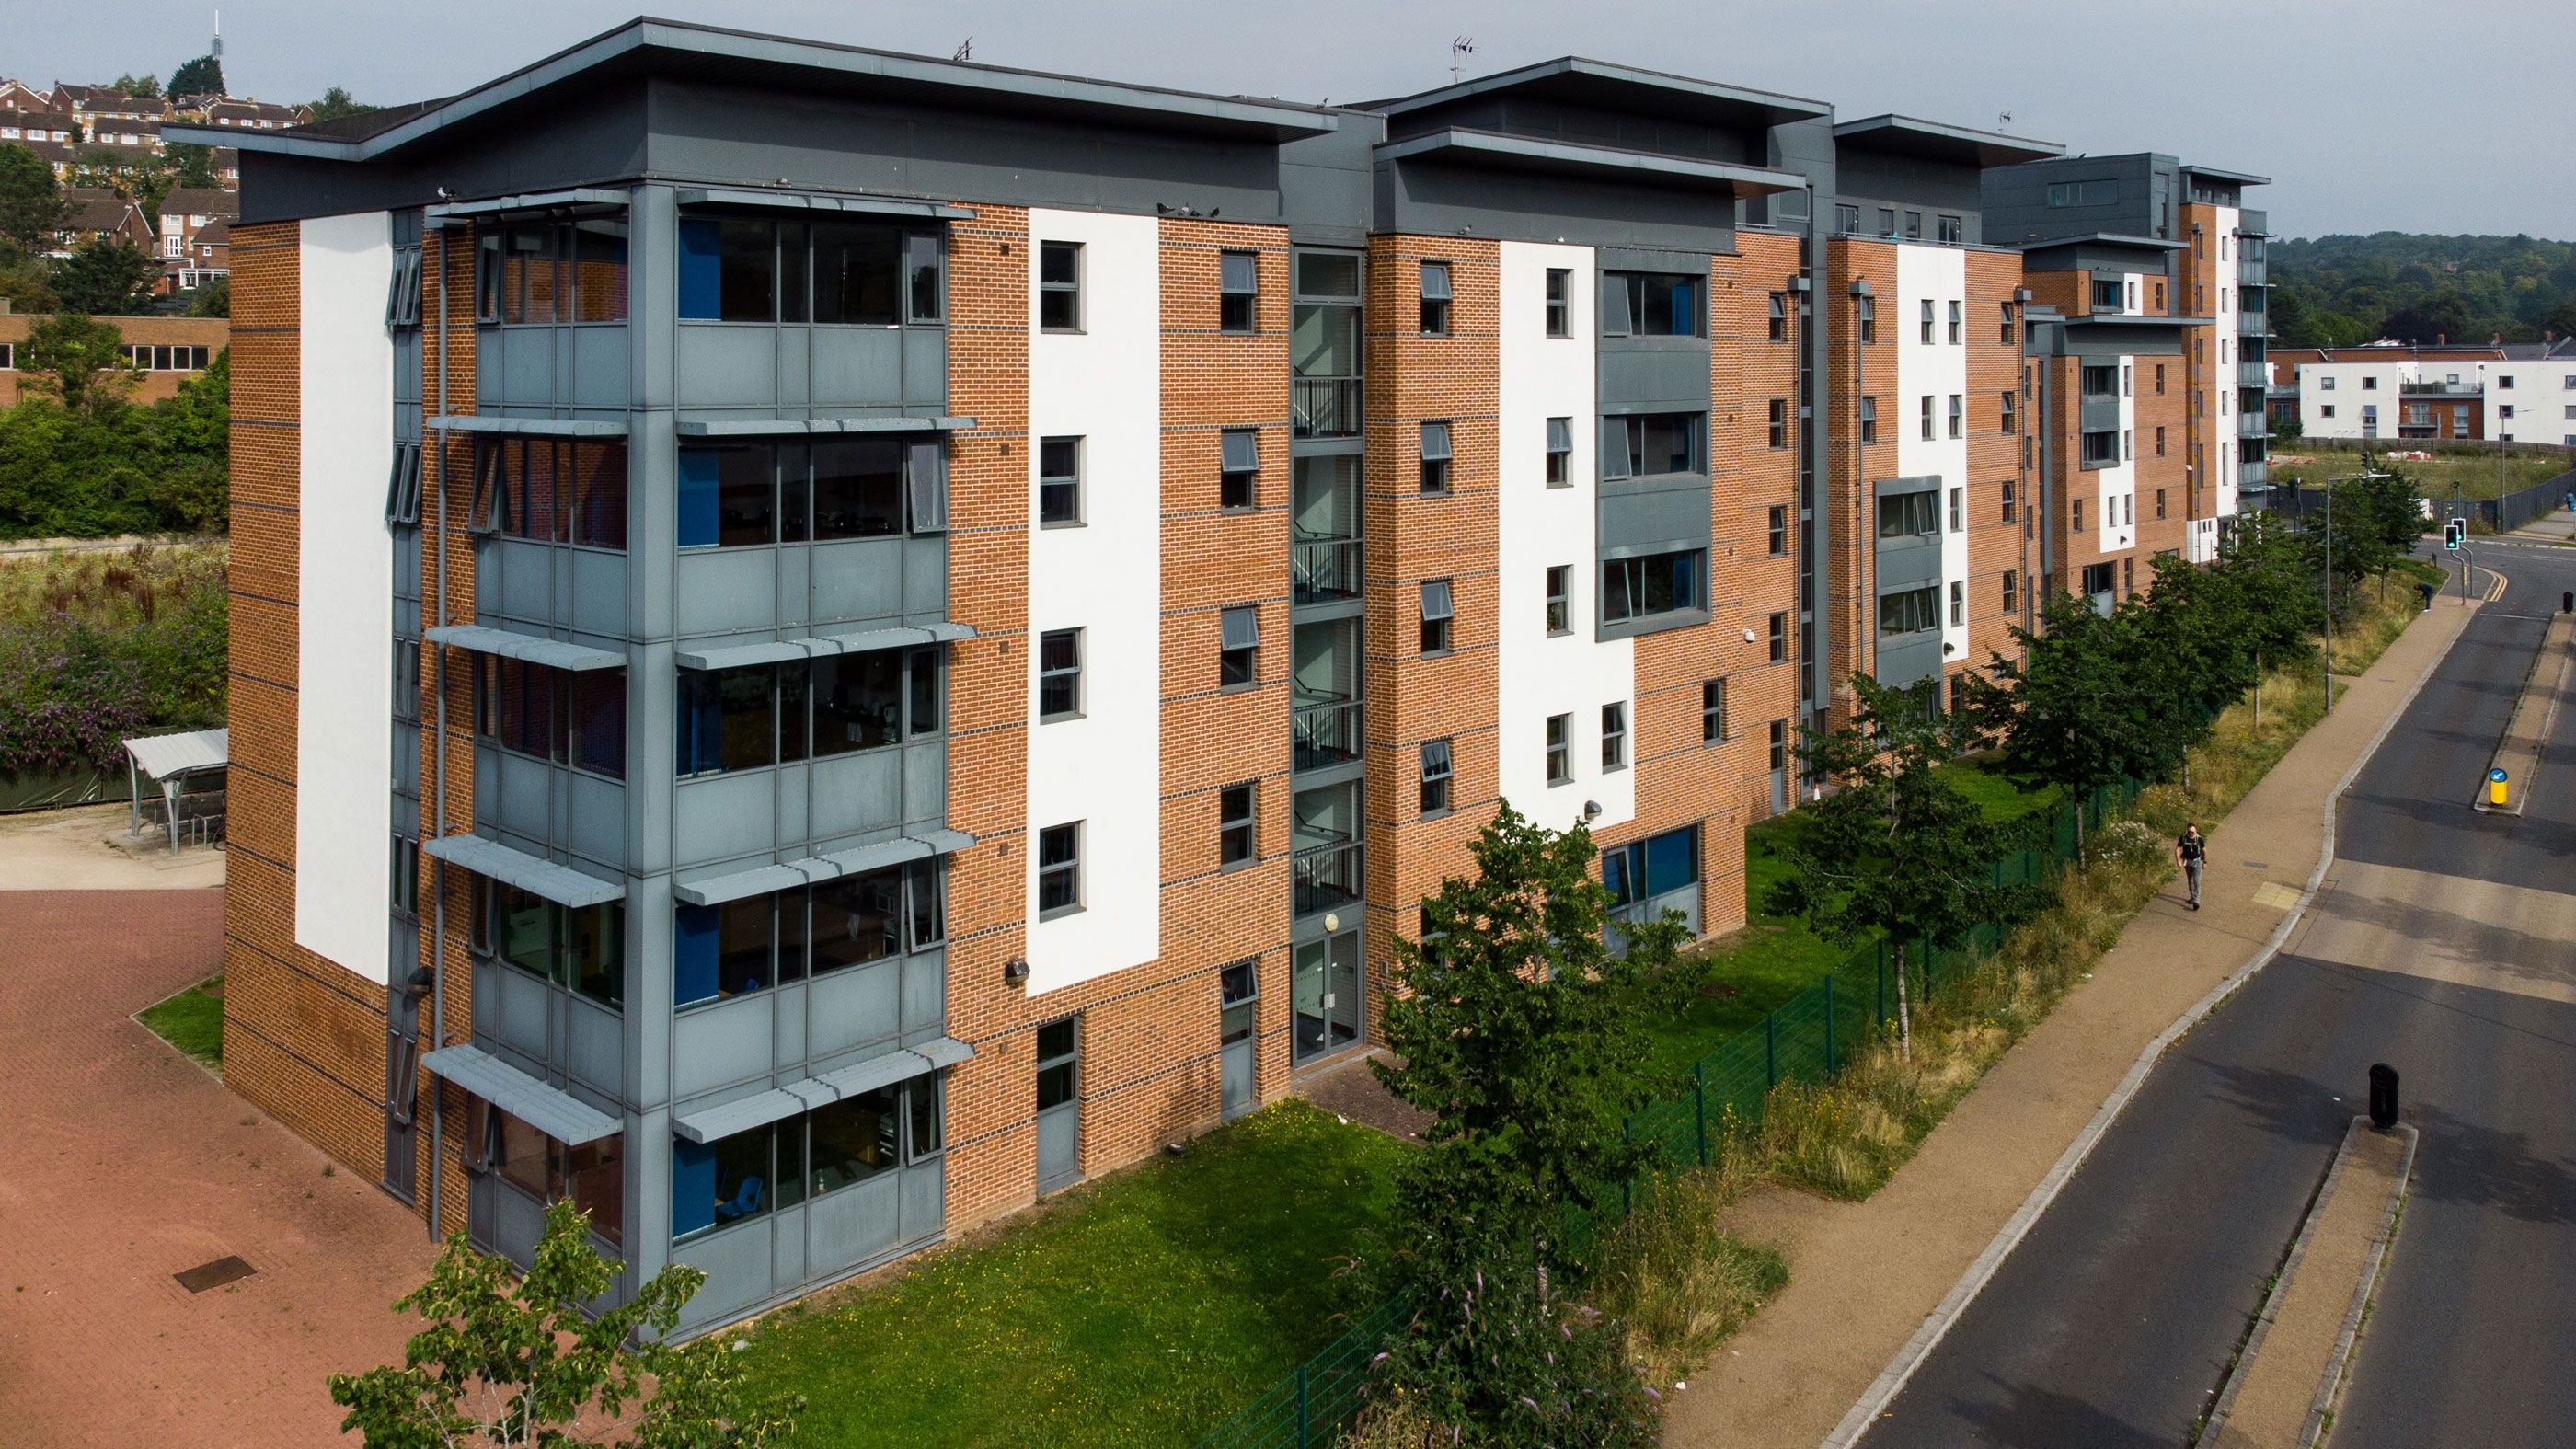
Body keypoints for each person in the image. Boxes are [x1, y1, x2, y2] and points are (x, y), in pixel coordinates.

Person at [2177, 824, 2206, 910]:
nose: (2190, 833)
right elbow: (2178, 848)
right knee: (2190, 880)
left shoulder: (2199, 839)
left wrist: (2205, 862)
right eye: (2189, 831)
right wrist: (2178, 859)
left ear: (2195, 832)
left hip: (2198, 861)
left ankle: (2196, 901)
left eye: (2192, 832)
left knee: (2197, 881)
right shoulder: (2183, 838)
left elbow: (2204, 851)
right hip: (2187, 862)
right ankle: (2192, 897)